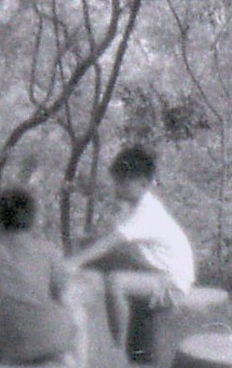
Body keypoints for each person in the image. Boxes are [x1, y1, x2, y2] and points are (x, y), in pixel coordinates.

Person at [69, 144, 196, 354]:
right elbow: (109, 242)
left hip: (173, 283)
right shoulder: (133, 207)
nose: (117, 188)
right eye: (116, 182)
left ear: (144, 184)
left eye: (123, 184)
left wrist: (74, 261)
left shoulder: (147, 210)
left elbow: (111, 241)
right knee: (93, 251)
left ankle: (118, 347)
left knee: (116, 282)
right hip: (154, 270)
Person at [0, 188, 104, 368]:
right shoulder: (48, 251)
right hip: (50, 344)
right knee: (78, 312)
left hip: (6, 347)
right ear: (34, 220)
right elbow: (63, 294)